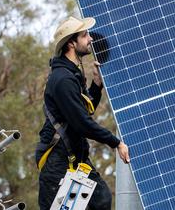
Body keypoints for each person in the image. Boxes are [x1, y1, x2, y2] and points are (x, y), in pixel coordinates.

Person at [35, 16, 130, 210]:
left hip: (75, 160)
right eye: (85, 35)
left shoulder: (72, 74)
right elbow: (82, 123)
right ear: (71, 43)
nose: (91, 39)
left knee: (101, 199)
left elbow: (85, 110)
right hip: (58, 164)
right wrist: (116, 142)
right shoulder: (62, 80)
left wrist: (96, 85)